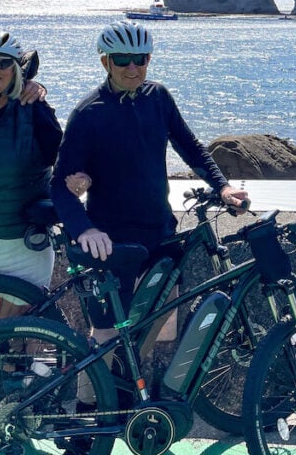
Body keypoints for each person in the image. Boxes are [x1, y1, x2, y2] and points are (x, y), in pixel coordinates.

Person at [51, 21, 248, 348]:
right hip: (112, 242)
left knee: (159, 326)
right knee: (105, 335)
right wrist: (84, 229)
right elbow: (59, 185)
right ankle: (96, 386)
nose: (132, 68)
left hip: (160, 233)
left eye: (140, 59)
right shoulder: (88, 114)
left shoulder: (158, 97)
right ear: (105, 62)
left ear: (149, 59)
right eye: (122, 59)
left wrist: (223, 187)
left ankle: (135, 381)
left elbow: (191, 147)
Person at [0, 29, 62, 316]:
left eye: (2, 63)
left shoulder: (34, 109)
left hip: (22, 243)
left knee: (10, 335)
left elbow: (67, 160)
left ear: (16, 68)